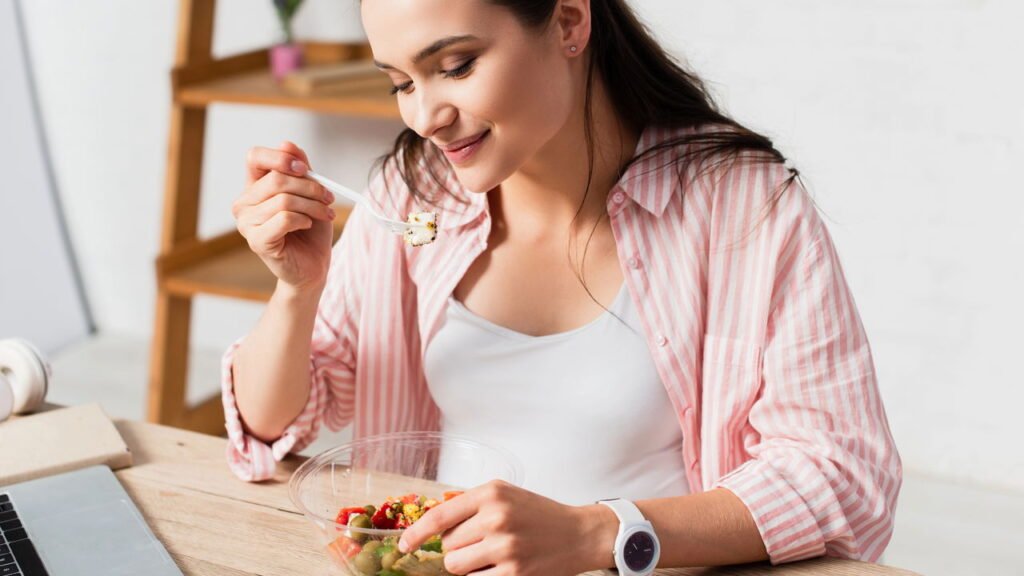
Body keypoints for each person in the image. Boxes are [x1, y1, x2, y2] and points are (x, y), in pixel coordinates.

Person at [222, 0, 902, 573]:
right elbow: (271, 424)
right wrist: (296, 289)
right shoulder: (412, 198)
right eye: (402, 82)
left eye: (454, 66)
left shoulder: (741, 207)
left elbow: (838, 470)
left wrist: (595, 534)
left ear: (570, 23)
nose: (425, 115)